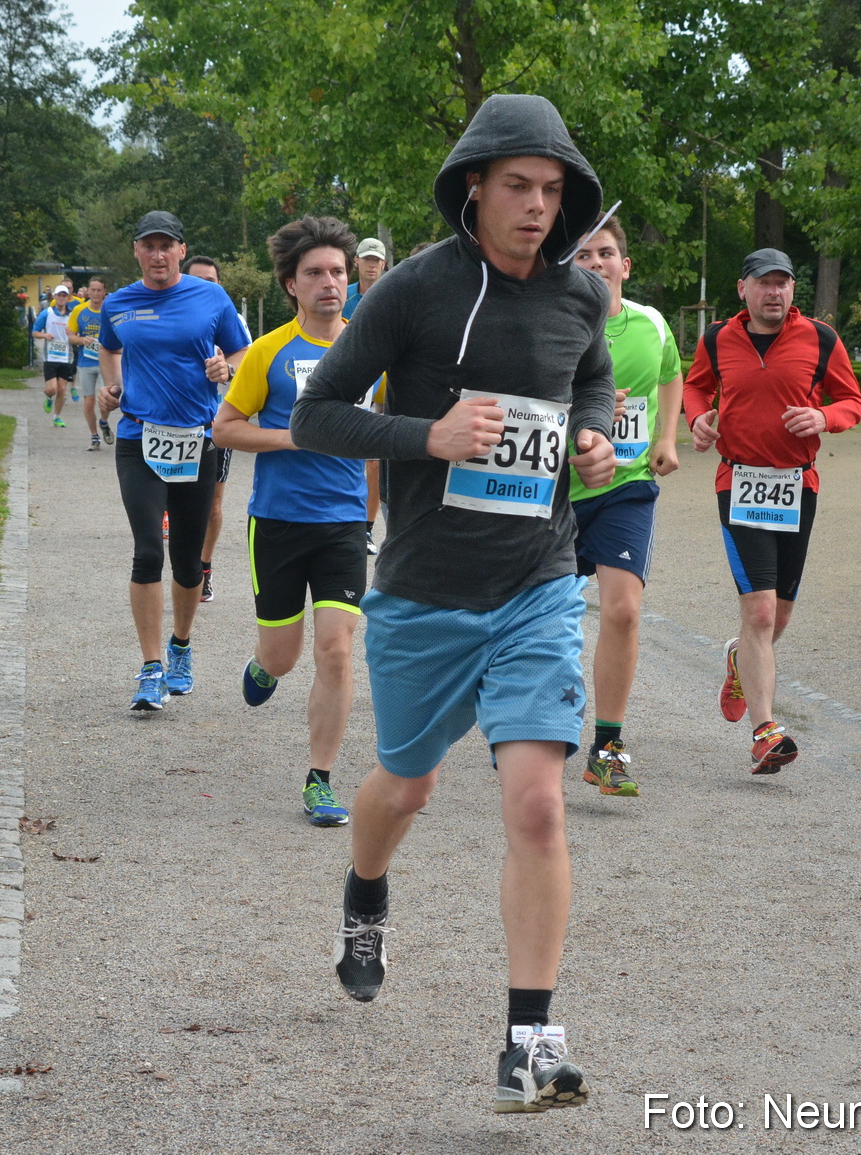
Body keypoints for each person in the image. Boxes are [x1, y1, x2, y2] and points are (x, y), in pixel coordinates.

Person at [292, 93, 617, 1113]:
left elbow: (590, 386)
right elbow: (316, 418)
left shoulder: (577, 298)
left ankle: (528, 1040)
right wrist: (424, 436)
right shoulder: (415, 294)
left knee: (536, 800)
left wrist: (597, 436)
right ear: (472, 185)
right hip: (427, 591)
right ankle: (365, 894)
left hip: (538, 581)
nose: (534, 206)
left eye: (551, 189)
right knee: (405, 789)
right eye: (516, 186)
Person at [685, 248, 861, 774]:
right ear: (743, 289)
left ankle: (741, 658)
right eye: (764, 283)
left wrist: (823, 416)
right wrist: (698, 419)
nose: (775, 292)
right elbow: (694, 387)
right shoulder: (717, 339)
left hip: (796, 486)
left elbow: (852, 401)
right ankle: (765, 731)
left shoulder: (821, 339)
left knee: (778, 615)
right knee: (760, 609)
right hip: (738, 482)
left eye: (783, 283)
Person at [213, 215, 365, 828]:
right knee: (283, 656)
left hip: (343, 523)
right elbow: (224, 427)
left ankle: (320, 779)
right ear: (291, 285)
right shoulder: (269, 351)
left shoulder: (367, 350)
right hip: (276, 521)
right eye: (314, 273)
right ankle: (263, 665)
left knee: (336, 652)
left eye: (337, 271)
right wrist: (294, 437)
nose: (328, 282)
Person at [96, 212, 250, 710]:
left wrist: (227, 367)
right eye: (148, 246)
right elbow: (108, 346)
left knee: (187, 560)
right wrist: (112, 385)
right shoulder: (119, 304)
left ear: (182, 250)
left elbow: (244, 353)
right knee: (147, 550)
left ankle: (180, 646)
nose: (158, 254)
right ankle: (149, 668)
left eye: (167, 245)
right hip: (139, 437)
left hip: (196, 440)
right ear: (136, 252)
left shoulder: (210, 297)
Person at [568, 215, 681, 797]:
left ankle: (607, 746)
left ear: (625, 265)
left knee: (623, 611)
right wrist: (581, 414)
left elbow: (670, 373)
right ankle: (527, 723)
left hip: (624, 487)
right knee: (542, 619)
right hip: (554, 494)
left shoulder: (652, 323)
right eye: (583, 255)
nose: (595, 264)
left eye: (605, 253)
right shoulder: (549, 324)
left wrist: (664, 438)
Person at [186, 255, 251, 602]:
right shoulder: (170, 312)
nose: (204, 286)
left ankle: (203, 567)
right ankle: (181, 568)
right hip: (170, 426)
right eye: (197, 280)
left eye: (211, 280)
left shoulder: (231, 319)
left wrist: (227, 367)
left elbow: (247, 361)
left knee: (212, 504)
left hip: (215, 423)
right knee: (171, 503)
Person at [344, 238, 389, 553]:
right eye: (367, 259)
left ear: (384, 265)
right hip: (346, 384)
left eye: (377, 260)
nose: (372, 265)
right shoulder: (342, 295)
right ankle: (338, 520)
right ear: (356, 262)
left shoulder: (394, 294)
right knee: (338, 454)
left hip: (381, 387)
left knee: (373, 462)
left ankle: (368, 529)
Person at [69, 276, 113, 450]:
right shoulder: (79, 310)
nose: (95, 293)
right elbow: (70, 336)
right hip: (86, 362)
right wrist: (81, 340)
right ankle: (94, 436)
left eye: (99, 290)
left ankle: (104, 422)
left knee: (106, 400)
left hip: (105, 363)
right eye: (92, 290)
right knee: (88, 401)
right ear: (87, 291)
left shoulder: (109, 311)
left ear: (104, 292)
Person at [33, 284, 78, 428]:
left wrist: (73, 335)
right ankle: (48, 397)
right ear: (55, 297)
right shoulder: (47, 313)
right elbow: (35, 332)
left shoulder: (72, 315)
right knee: (52, 389)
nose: (62, 298)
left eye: (64, 296)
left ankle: (56, 416)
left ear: (67, 298)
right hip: (51, 357)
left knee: (62, 390)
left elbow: (77, 334)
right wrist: (45, 335)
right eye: (59, 295)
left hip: (66, 357)